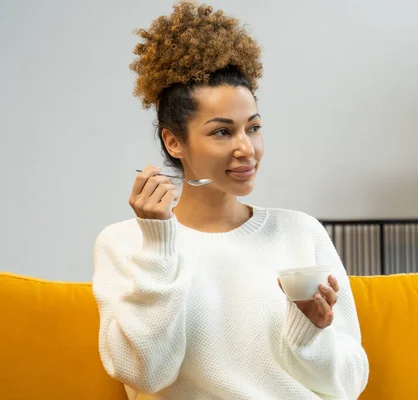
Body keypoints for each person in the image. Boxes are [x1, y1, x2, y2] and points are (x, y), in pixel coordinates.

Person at [92, 2, 369, 399]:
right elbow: (146, 374)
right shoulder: (123, 245)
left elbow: (350, 385)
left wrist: (310, 335)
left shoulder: (300, 232)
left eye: (252, 128)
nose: (246, 149)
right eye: (222, 132)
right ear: (174, 141)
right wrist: (158, 244)